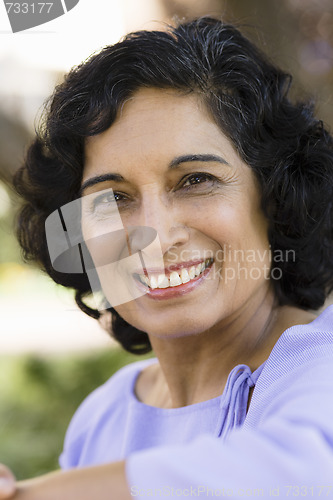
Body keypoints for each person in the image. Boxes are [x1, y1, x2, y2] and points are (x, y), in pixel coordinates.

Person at [1, 16, 333, 499]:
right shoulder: (105, 416)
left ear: (276, 198)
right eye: (112, 198)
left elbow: (302, 473)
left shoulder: (319, 368)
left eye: (196, 180)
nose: (153, 236)